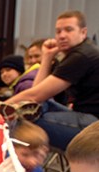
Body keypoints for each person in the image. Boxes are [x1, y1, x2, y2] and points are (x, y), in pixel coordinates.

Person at [5, 10, 99, 151]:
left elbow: (34, 95)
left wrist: (0, 107)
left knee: (21, 120)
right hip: (84, 117)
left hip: (93, 126)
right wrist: (47, 56)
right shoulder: (79, 52)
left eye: (68, 30)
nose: (62, 36)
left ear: (83, 32)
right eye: (58, 31)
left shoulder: (82, 56)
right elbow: (37, 94)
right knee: (35, 108)